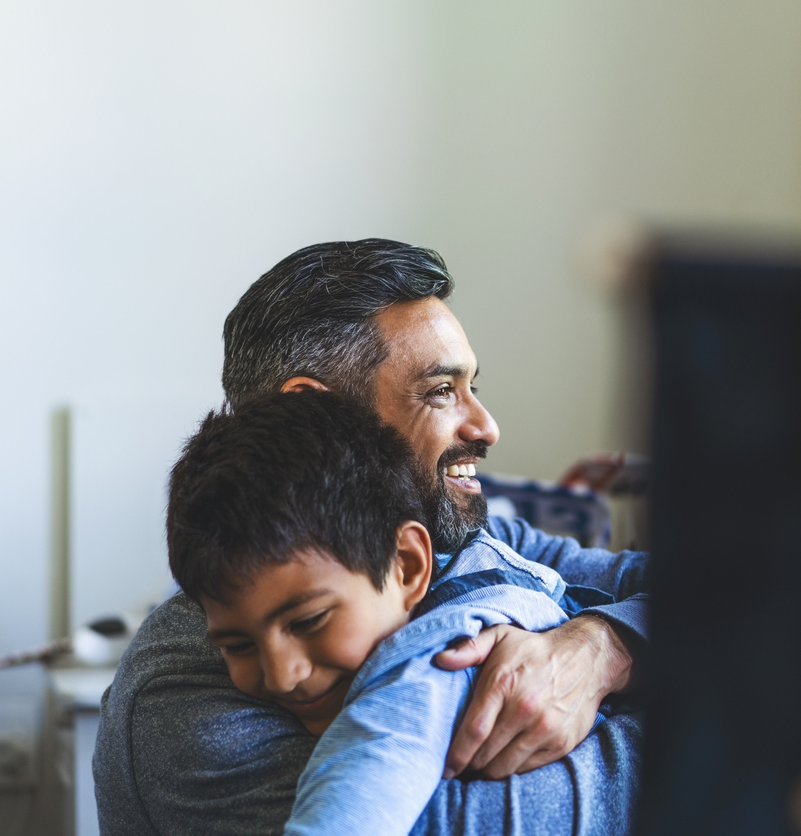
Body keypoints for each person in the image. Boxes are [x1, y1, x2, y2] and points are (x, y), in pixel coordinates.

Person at [94, 239, 649, 835]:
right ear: (319, 412)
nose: (485, 427)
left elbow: (733, 600)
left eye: (472, 388)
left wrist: (604, 646)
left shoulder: (457, 540)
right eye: (440, 390)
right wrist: (727, 713)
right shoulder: (184, 696)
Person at [167, 391, 623, 835]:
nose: (283, 675)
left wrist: (610, 644)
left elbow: (369, 769)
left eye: (309, 621)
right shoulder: (172, 695)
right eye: (237, 645)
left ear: (408, 566)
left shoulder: (433, 660)